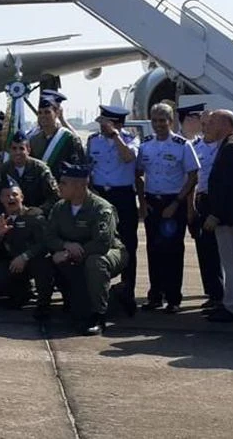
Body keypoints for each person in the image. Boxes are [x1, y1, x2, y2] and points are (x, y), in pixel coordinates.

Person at [46, 163, 128, 335]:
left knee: (95, 263)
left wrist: (69, 254)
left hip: (109, 252)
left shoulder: (101, 208)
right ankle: (70, 303)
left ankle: (98, 315)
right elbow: (49, 237)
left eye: (63, 183)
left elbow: (102, 243)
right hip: (74, 253)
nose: (58, 186)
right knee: (48, 259)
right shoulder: (60, 207)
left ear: (79, 186)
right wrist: (64, 246)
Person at [136, 103, 200, 313]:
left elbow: (193, 176)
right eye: (155, 120)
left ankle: (173, 297)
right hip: (153, 203)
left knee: (173, 251)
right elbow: (138, 174)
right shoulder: (145, 146)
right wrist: (143, 204)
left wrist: (176, 203)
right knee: (153, 250)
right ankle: (156, 295)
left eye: (163, 120)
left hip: (174, 202)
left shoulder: (182, 145)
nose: (159, 124)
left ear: (171, 122)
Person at [201, 109, 233, 323]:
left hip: (229, 218)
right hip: (232, 216)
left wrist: (218, 215)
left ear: (223, 124)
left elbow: (231, 188)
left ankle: (232, 307)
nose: (207, 126)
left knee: (232, 262)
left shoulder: (232, 147)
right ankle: (232, 302)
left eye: (212, 122)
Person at [86, 105, 139, 314]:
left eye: (105, 123)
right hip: (100, 195)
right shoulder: (93, 141)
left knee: (127, 244)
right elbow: (89, 166)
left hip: (123, 196)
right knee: (98, 242)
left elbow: (128, 157)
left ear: (117, 123)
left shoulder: (130, 139)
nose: (101, 126)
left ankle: (128, 291)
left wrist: (116, 136)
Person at [0, 177, 53, 314]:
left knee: (43, 264)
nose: (11, 198)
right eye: (7, 195)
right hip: (12, 262)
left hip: (32, 259)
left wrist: (25, 256)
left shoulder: (34, 216)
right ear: (1, 199)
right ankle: (20, 294)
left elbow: (45, 242)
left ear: (22, 197)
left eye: (14, 195)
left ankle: (44, 304)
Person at [186, 104, 223, 309]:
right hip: (202, 201)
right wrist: (190, 209)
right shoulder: (194, 147)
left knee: (230, 253)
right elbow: (191, 180)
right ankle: (214, 293)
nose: (207, 126)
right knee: (206, 251)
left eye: (211, 123)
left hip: (222, 201)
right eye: (204, 123)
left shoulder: (226, 146)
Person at [0, 132, 59, 213]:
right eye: (14, 148)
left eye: (21, 148)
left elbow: (54, 196)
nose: (18, 152)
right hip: (10, 213)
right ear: (9, 150)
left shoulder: (40, 169)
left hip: (35, 214)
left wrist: (41, 210)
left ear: (28, 150)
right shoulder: (2, 169)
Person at [27, 91, 86, 178]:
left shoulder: (68, 138)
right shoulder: (34, 140)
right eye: (40, 112)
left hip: (64, 187)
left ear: (57, 113)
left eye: (47, 112)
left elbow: (79, 166)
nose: (43, 116)